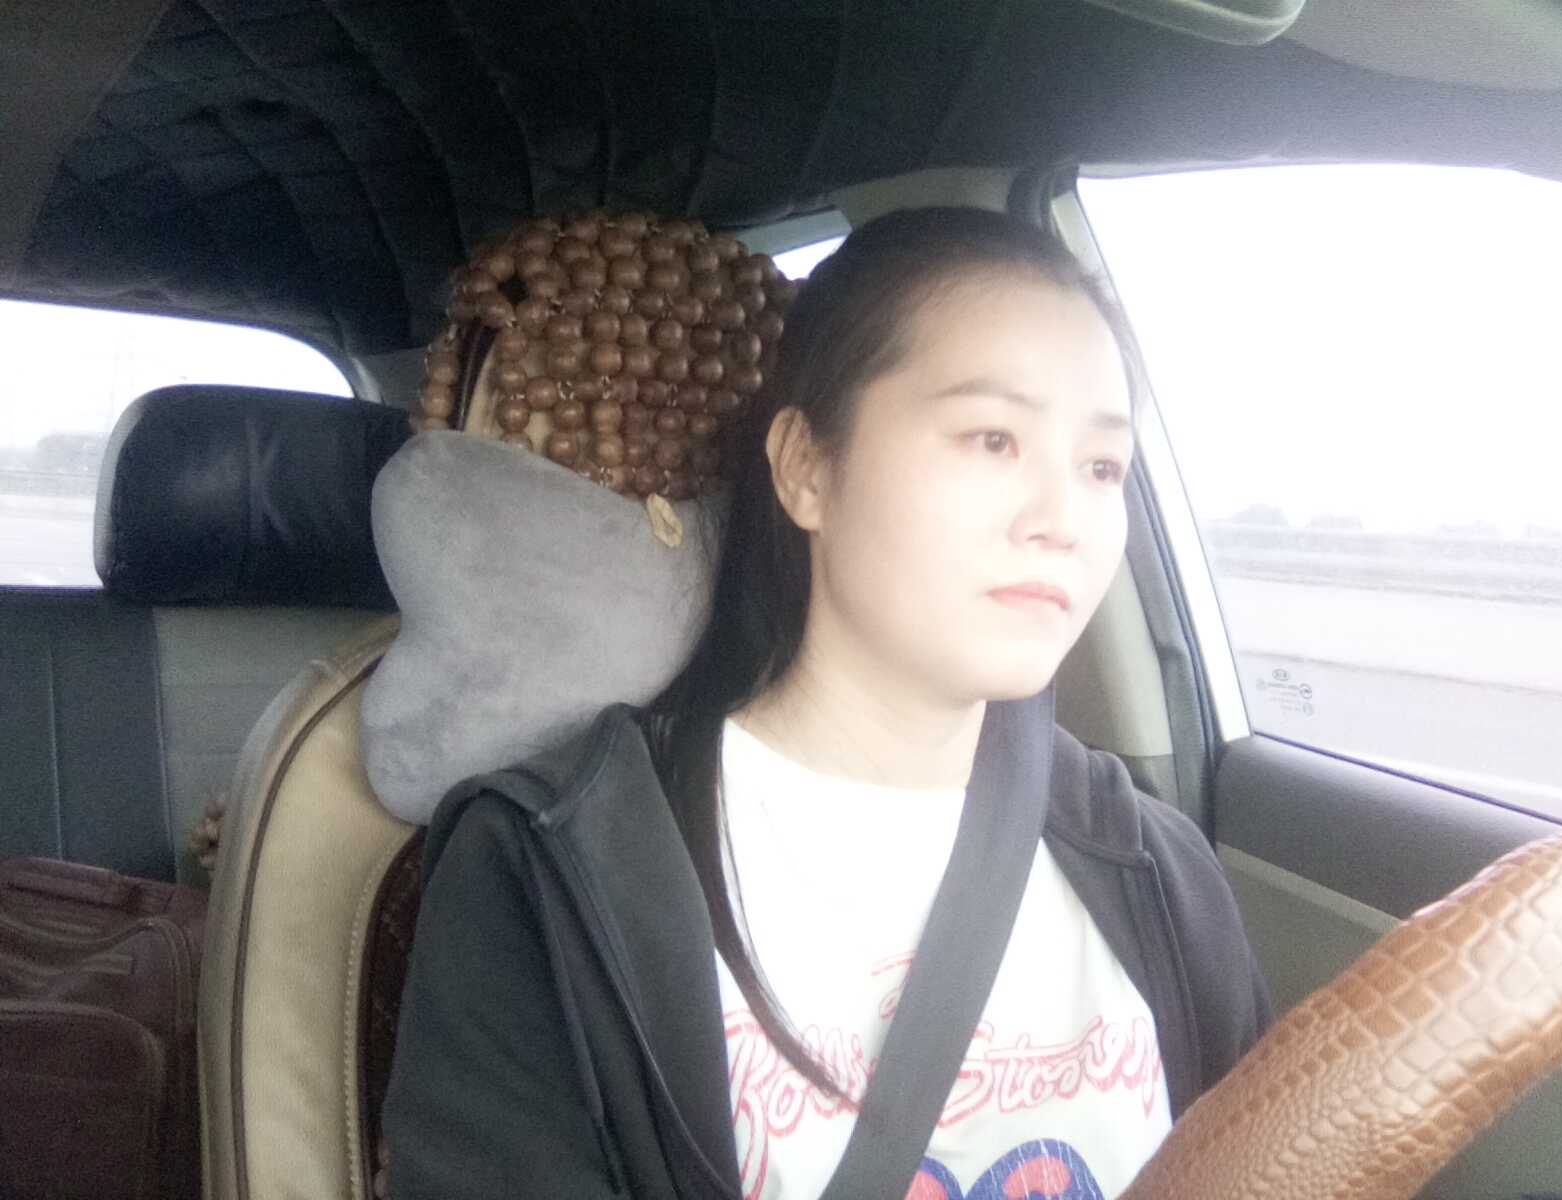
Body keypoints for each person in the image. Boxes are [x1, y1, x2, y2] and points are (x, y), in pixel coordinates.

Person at [382, 207, 1271, 1200]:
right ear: (805, 468)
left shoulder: (1157, 871)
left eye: (1102, 466)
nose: (1063, 519)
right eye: (992, 440)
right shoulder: (552, 872)